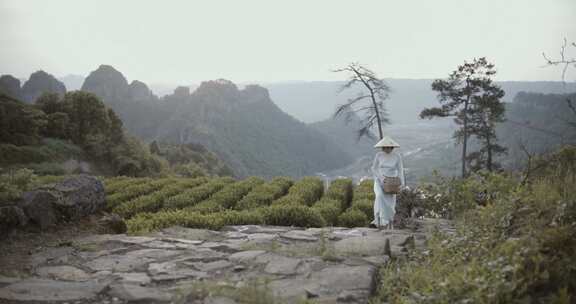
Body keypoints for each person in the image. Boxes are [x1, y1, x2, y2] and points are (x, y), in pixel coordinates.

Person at [370, 136, 405, 229]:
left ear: (392, 147)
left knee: (390, 204)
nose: (387, 149)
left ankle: (390, 223)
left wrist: (402, 183)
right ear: (382, 147)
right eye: (385, 147)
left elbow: (400, 170)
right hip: (380, 181)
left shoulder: (397, 156)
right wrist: (381, 178)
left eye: (389, 147)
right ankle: (378, 219)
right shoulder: (379, 155)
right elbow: (373, 168)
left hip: (392, 183)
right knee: (379, 196)